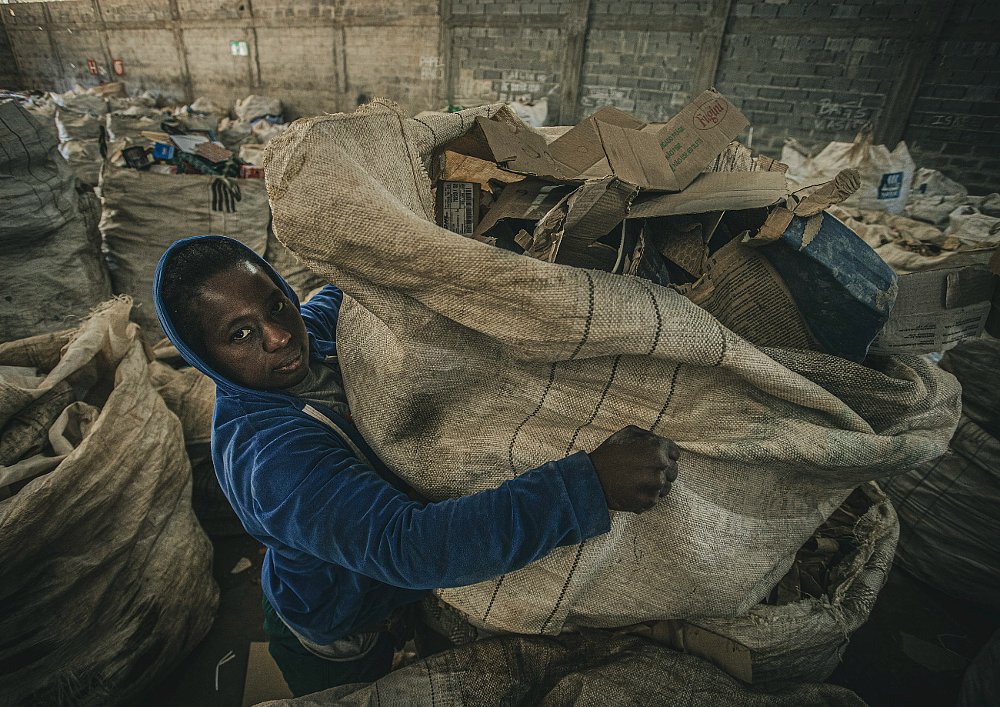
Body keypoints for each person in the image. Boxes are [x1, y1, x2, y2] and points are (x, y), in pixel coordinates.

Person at [152, 235, 680, 696]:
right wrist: (587, 485)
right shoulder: (272, 461)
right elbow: (410, 547)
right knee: (360, 689)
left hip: (381, 592)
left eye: (275, 306)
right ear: (205, 358)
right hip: (338, 627)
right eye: (239, 334)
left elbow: (351, 293)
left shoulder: (310, 341)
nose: (279, 336)